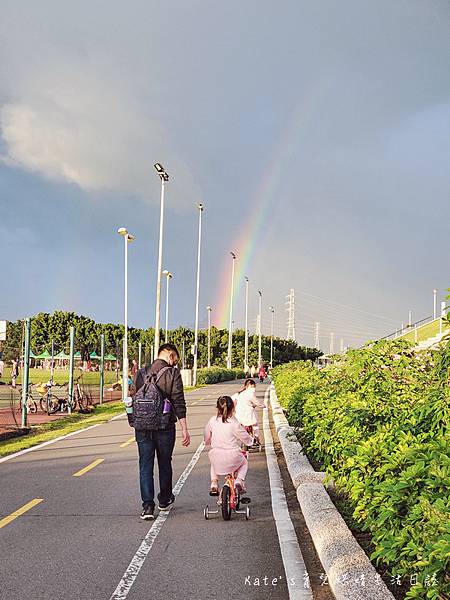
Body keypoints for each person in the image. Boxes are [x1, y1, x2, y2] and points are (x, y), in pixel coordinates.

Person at [132, 343, 191, 520]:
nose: (174, 363)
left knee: (145, 465)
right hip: (165, 427)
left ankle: (148, 506)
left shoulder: (140, 373)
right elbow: (178, 402)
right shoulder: (173, 373)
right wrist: (184, 429)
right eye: (175, 359)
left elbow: (134, 398)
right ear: (170, 356)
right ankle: (164, 500)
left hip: (142, 427)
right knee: (165, 462)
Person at [204, 396, 253, 495]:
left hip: (217, 455)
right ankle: (239, 480)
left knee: (213, 462)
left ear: (218, 408)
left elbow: (207, 438)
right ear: (233, 408)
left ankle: (214, 483)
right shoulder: (234, 423)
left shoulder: (212, 420)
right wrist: (251, 441)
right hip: (233, 456)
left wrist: (208, 441)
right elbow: (246, 438)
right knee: (244, 463)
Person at [232, 379, 266, 446]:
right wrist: (264, 406)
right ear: (246, 386)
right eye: (251, 387)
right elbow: (258, 403)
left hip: (239, 415)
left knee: (241, 427)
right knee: (255, 424)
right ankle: (256, 437)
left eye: (253, 387)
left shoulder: (238, 394)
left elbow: (232, 401)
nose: (252, 389)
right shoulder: (250, 394)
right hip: (249, 415)